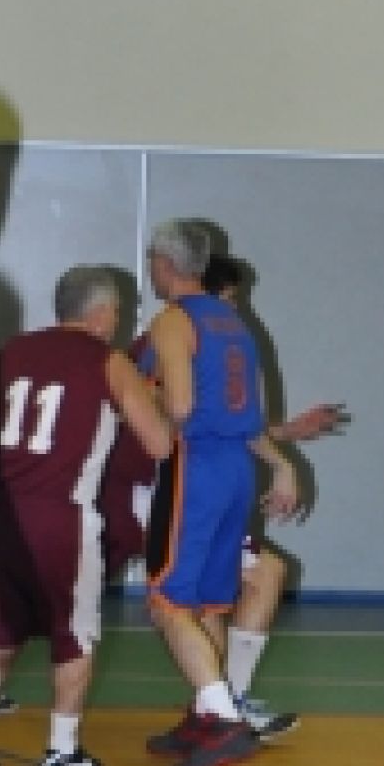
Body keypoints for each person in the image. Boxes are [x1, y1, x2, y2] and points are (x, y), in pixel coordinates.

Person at [99, 250, 347, 739]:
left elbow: (220, 419)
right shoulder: (169, 335)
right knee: (176, 599)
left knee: (238, 587)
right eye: (229, 297)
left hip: (192, 476)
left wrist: (286, 437)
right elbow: (172, 410)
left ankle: (221, 706)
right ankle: (224, 707)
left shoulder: (204, 335)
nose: (233, 307)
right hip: (156, 485)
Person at [0, 265, 173, 766]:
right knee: (75, 631)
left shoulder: (13, 350)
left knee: (1, 627)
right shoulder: (109, 361)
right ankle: (62, 749)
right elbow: (159, 444)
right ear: (101, 313)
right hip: (57, 511)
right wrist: (155, 405)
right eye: (117, 311)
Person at [142, 220, 301, 766]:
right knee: (210, 602)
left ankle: (226, 720)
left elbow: (181, 407)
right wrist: (281, 464)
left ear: (165, 264)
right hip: (239, 469)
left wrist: (142, 405)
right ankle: (204, 716)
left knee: (167, 601)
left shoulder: (172, 320)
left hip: (197, 467)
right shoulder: (236, 323)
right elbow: (252, 417)